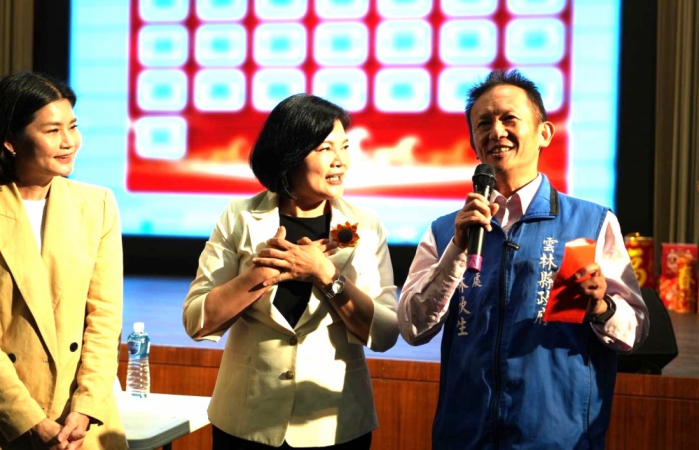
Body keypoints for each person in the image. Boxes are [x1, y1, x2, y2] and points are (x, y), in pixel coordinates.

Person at [397, 69, 650, 449]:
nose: (496, 131)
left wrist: (601, 306)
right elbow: (413, 328)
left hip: (557, 436)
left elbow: (635, 331)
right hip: (466, 435)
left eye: (509, 119)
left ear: (544, 133)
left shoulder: (591, 222)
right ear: (474, 143)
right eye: (484, 123)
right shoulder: (445, 230)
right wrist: (457, 250)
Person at [182, 93, 399, 449]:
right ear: (290, 155)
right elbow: (197, 321)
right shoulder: (239, 217)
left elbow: (386, 331)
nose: (341, 161)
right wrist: (262, 272)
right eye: (326, 149)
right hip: (247, 421)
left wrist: (325, 274)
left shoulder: (366, 225)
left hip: (334, 424)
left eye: (344, 147)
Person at [0, 72, 127, 449]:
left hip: (81, 425)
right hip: (10, 420)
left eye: (73, 126)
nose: (69, 141)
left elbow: (104, 318)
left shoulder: (97, 204)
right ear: (10, 140)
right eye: (52, 130)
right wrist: (30, 421)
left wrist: (85, 408)